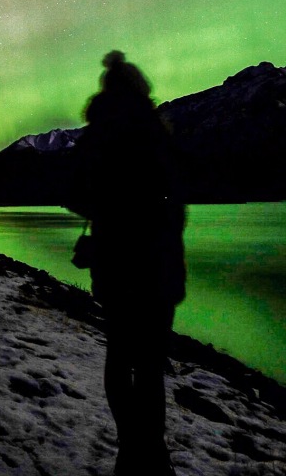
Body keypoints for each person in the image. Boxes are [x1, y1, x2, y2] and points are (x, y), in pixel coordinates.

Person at [67, 50, 187, 476]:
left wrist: (105, 209)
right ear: (141, 88)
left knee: (120, 355)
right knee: (151, 363)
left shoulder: (98, 136)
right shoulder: (157, 133)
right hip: (159, 262)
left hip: (117, 261)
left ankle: (131, 446)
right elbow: (174, 202)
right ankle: (150, 450)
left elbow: (72, 194)